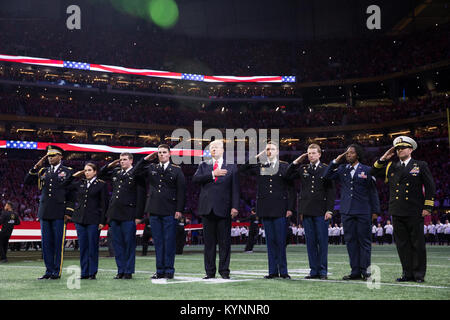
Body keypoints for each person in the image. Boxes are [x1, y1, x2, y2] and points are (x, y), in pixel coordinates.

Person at [371, 136, 435, 283]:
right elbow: (373, 172)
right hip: (397, 210)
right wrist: (383, 158)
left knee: (417, 243)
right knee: (402, 245)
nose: (400, 150)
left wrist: (428, 207)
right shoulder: (391, 166)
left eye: (403, 148)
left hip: (414, 210)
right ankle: (407, 273)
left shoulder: (420, 165)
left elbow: (430, 187)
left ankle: (418, 274)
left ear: (410, 149)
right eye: (398, 148)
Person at [323, 144, 380, 281]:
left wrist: (375, 211)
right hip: (346, 211)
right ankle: (355, 271)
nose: (348, 155)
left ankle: (365, 272)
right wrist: (335, 161)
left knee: (364, 242)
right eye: (347, 153)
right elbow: (326, 176)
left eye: (351, 153)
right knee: (350, 242)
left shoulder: (367, 170)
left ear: (358, 155)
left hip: (363, 211)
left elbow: (373, 192)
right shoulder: (342, 169)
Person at [240, 141, 295, 279]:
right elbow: (243, 168)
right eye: (267, 149)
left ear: (277, 151)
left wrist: (290, 208)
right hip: (265, 208)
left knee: (280, 241)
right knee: (270, 241)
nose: (269, 151)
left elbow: (292, 190)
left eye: (272, 149)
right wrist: (258, 156)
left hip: (280, 208)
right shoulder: (260, 165)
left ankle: (283, 271)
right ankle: (272, 271)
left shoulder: (284, 166)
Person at [133, 145, 186, 279]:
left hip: (170, 210)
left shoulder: (176, 170)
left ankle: (169, 271)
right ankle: (159, 270)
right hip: (154, 210)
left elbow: (181, 192)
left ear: (169, 154)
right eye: (159, 153)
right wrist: (146, 159)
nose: (161, 154)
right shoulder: (151, 168)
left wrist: (179, 209)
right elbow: (134, 172)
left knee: (169, 242)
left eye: (164, 152)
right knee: (158, 242)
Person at [24, 145, 74, 280]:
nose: (50, 158)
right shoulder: (42, 171)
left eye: (53, 155)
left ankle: (56, 271)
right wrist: (35, 167)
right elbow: (27, 181)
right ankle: (48, 270)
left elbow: (72, 193)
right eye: (49, 156)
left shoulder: (68, 171)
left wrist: (69, 211)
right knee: (46, 243)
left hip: (59, 212)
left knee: (58, 243)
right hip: (45, 212)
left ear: (60, 156)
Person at [286, 144, 335, 280]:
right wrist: (297, 161)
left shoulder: (326, 169)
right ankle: (314, 271)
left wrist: (330, 210)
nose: (311, 155)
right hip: (306, 210)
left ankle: (323, 271)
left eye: (313, 153)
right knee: (311, 242)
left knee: (322, 242)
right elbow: (287, 175)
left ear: (319, 154)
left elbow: (331, 191)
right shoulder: (303, 168)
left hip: (321, 211)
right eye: (309, 153)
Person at [193, 139, 239, 280]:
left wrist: (235, 206)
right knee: (209, 244)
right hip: (207, 209)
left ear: (223, 150)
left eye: (216, 147)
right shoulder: (203, 165)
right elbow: (195, 179)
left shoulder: (231, 166)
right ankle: (210, 272)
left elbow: (235, 189)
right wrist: (213, 174)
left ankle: (224, 271)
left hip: (224, 209)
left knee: (225, 243)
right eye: (212, 147)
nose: (213, 149)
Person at [98, 152, 146, 280]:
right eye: (120, 160)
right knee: (117, 244)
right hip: (114, 214)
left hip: (129, 214)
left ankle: (128, 271)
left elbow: (141, 196)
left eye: (124, 159)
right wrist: (109, 165)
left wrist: (138, 216)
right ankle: (120, 270)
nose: (122, 162)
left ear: (131, 161)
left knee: (129, 244)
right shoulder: (116, 172)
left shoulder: (137, 174)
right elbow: (101, 174)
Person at [65, 163, 108, 280]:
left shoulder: (101, 185)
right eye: (85, 170)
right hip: (79, 219)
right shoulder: (80, 183)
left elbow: (104, 204)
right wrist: (74, 176)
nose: (86, 172)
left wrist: (103, 221)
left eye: (89, 170)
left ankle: (92, 272)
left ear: (95, 172)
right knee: (83, 247)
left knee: (92, 247)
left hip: (94, 220)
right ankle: (84, 272)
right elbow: (64, 185)